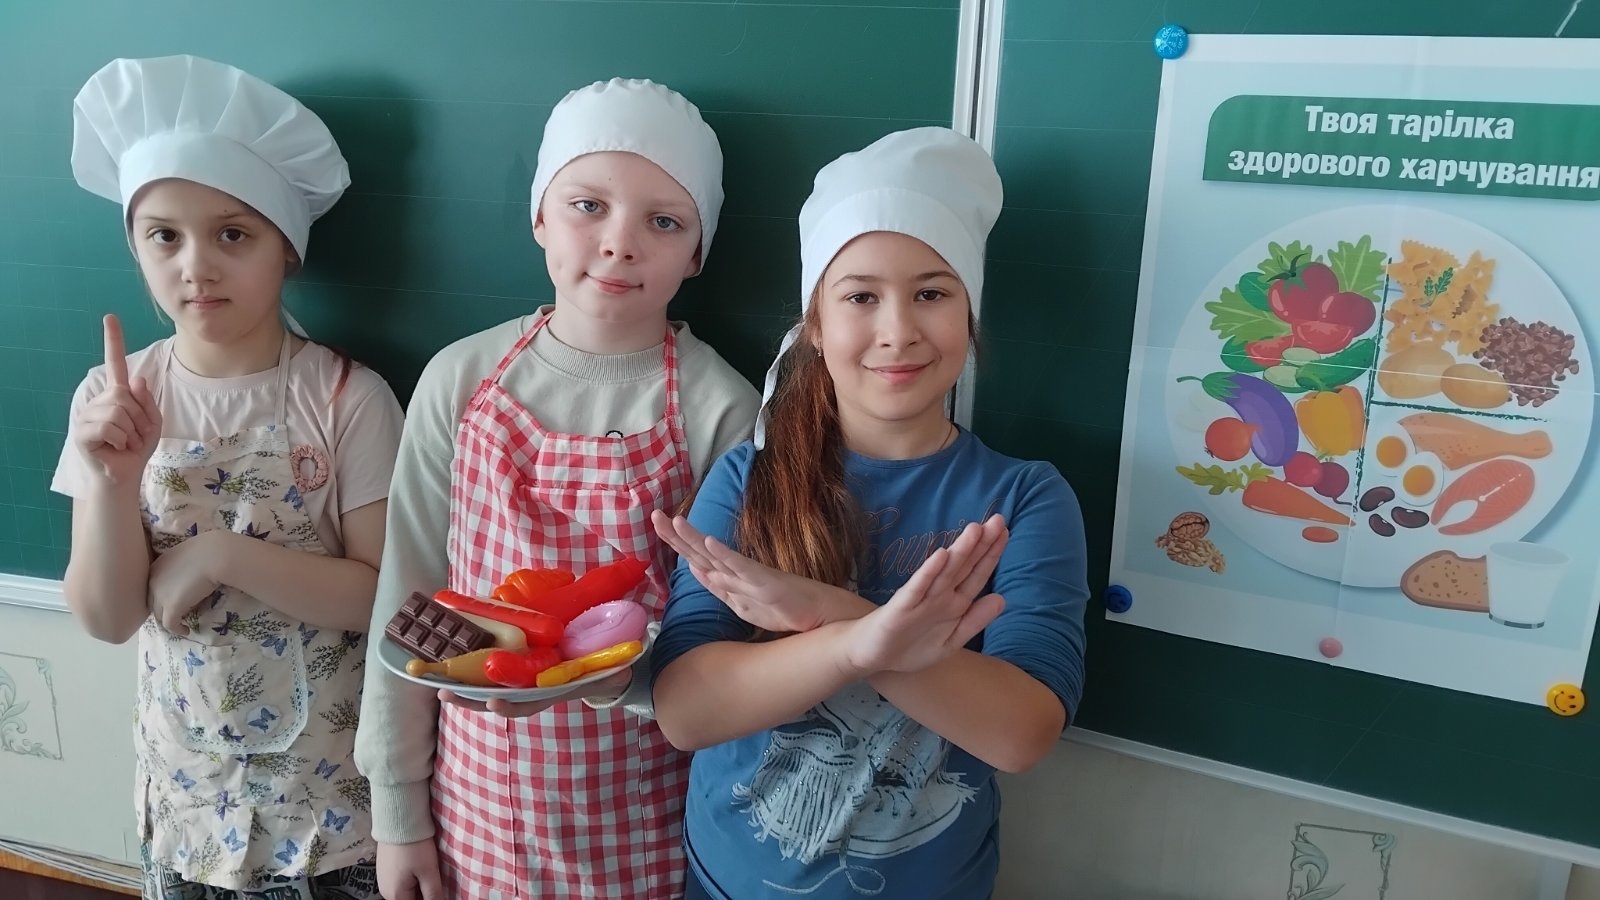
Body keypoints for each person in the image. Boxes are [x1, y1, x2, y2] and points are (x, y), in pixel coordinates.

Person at [649, 126, 1089, 899]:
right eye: (861, 296)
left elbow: (1022, 733)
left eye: (932, 293)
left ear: (969, 315)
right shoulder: (748, 482)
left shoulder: (1026, 498)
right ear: (816, 325)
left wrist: (830, 612)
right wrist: (862, 643)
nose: (899, 331)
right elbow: (685, 710)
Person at [354, 78, 760, 899]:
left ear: (698, 252)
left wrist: (626, 682)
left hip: (649, 807)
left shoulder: (723, 408)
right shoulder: (460, 378)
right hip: (473, 806)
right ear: (539, 215)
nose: (619, 244)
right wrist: (397, 810)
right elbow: (405, 595)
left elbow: (728, 637)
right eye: (587, 206)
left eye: (664, 221)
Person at [54, 55, 404, 899]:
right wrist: (110, 480)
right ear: (136, 247)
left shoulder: (348, 397)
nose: (196, 267)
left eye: (233, 235)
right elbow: (107, 617)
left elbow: (379, 596)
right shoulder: (111, 400)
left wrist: (220, 556)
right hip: (186, 805)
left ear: (287, 248)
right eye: (164, 236)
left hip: (330, 819)